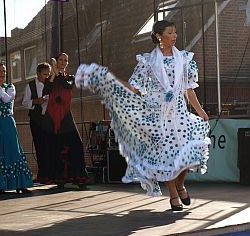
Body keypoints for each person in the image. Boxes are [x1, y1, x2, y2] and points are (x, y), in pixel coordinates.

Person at [75, 20, 210, 211]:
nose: (174, 36)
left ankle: (180, 185)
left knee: (187, 155)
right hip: (156, 115)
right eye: (170, 32)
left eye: (175, 32)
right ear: (158, 36)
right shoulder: (148, 61)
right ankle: (173, 194)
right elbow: (134, 87)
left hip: (179, 113)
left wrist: (200, 111)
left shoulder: (185, 59)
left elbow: (188, 89)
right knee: (167, 157)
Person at [41, 53, 88, 188]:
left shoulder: (70, 78)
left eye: (65, 60)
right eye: (60, 60)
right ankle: (60, 178)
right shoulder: (51, 78)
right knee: (57, 146)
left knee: (76, 144)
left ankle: (79, 177)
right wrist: (54, 74)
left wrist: (56, 71)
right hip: (52, 116)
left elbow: (66, 86)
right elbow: (46, 90)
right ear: (57, 62)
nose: (63, 62)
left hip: (66, 115)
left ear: (67, 63)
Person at [0, 62, 33, 194]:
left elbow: (6, 99)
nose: (2, 74)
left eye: (4, 71)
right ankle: (2, 185)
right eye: (0, 71)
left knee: (13, 150)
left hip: (7, 122)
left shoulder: (10, 87)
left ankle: (20, 183)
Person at [22, 62, 50, 183]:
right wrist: (35, 101)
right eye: (45, 74)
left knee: (50, 146)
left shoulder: (51, 84)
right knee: (39, 146)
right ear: (38, 74)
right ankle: (42, 173)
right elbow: (24, 102)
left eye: (48, 74)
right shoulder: (30, 86)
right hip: (36, 120)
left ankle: (51, 173)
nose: (47, 76)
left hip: (49, 119)